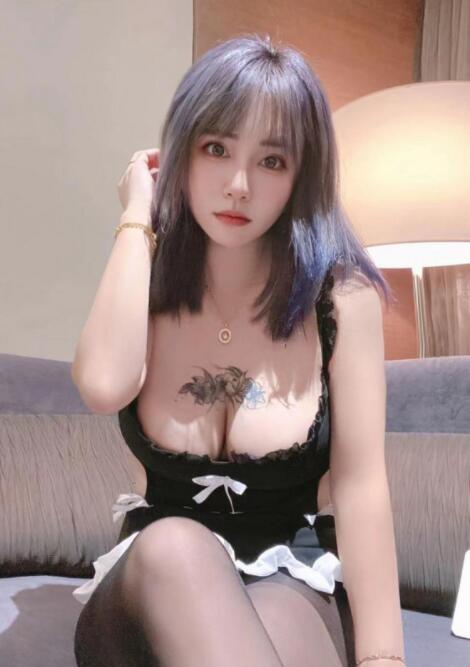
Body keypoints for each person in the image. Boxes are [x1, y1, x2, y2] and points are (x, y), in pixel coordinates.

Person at [71, 33, 406, 667]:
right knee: (176, 545)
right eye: (217, 149)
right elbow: (103, 384)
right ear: (180, 153)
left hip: (291, 578)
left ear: (301, 175)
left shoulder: (342, 301)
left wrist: (384, 658)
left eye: (272, 161)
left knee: (271, 629)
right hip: (153, 590)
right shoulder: (145, 278)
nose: (239, 185)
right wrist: (138, 216)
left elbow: (361, 488)